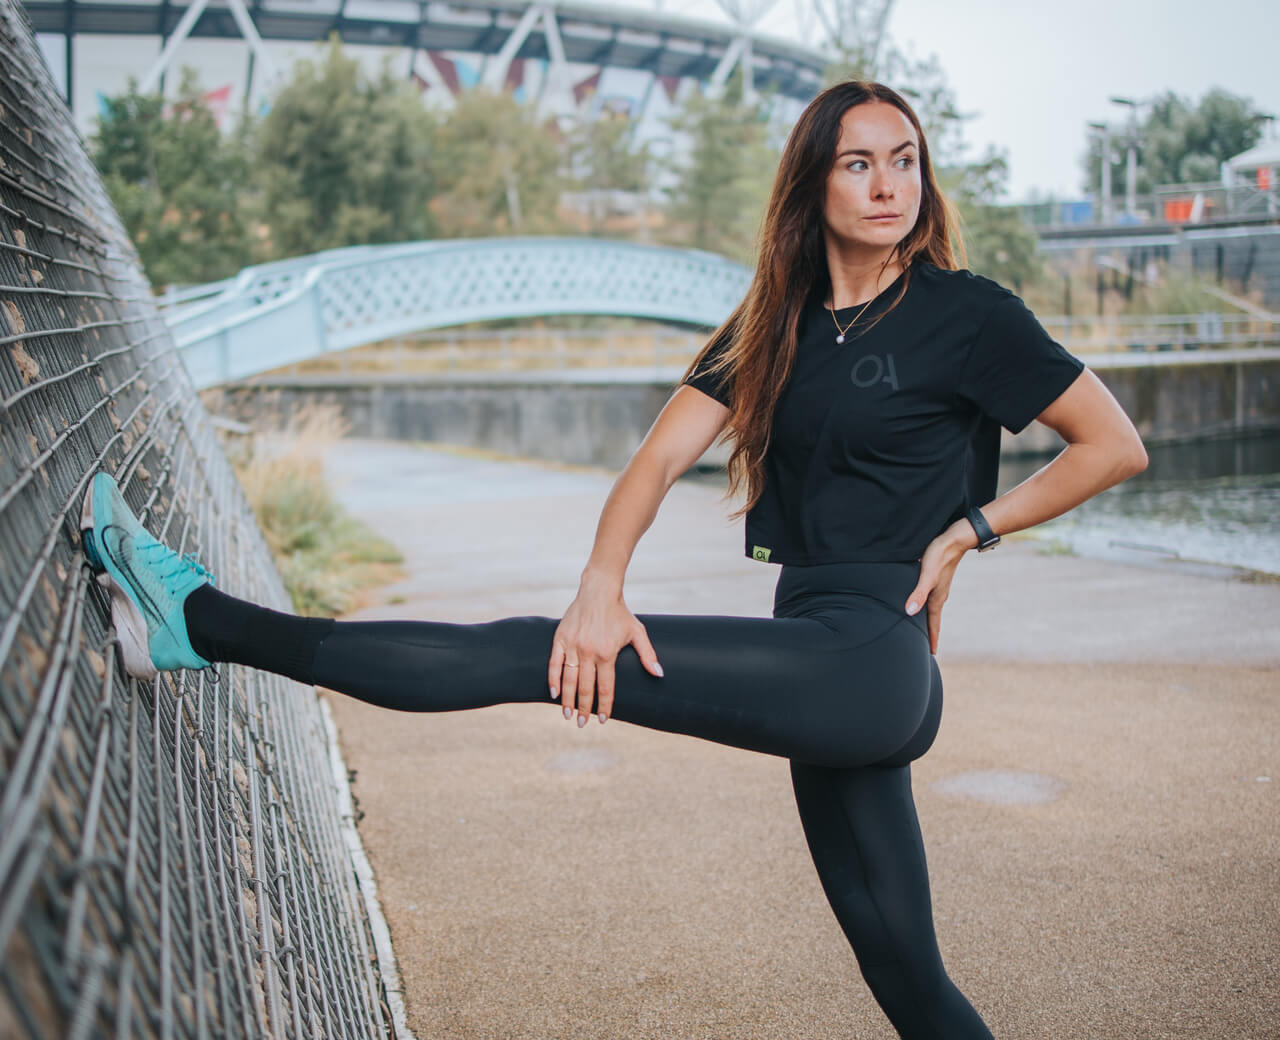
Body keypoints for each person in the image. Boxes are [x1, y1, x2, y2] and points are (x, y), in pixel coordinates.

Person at [81, 80, 1147, 1039]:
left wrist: (971, 528)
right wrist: (602, 585)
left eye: (904, 158)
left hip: (867, 660)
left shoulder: (965, 313)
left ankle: (198, 621)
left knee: (520, 657)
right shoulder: (769, 326)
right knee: (908, 977)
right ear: (810, 185)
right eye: (857, 161)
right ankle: (190, 624)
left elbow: (1110, 444)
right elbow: (651, 463)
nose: (887, 184)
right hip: (822, 650)